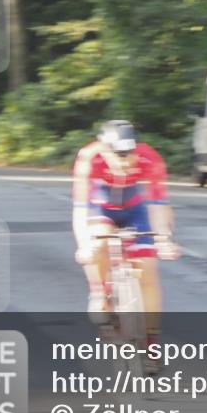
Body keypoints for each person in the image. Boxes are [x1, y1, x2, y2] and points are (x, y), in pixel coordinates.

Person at [72, 120, 178, 368]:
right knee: (97, 242)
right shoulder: (90, 158)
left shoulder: (148, 157)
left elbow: (158, 204)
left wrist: (164, 239)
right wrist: (84, 245)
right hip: (101, 208)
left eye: (128, 153)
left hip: (134, 209)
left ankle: (151, 344)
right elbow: (80, 210)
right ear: (104, 148)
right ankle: (100, 291)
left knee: (149, 271)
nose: (124, 160)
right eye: (118, 154)